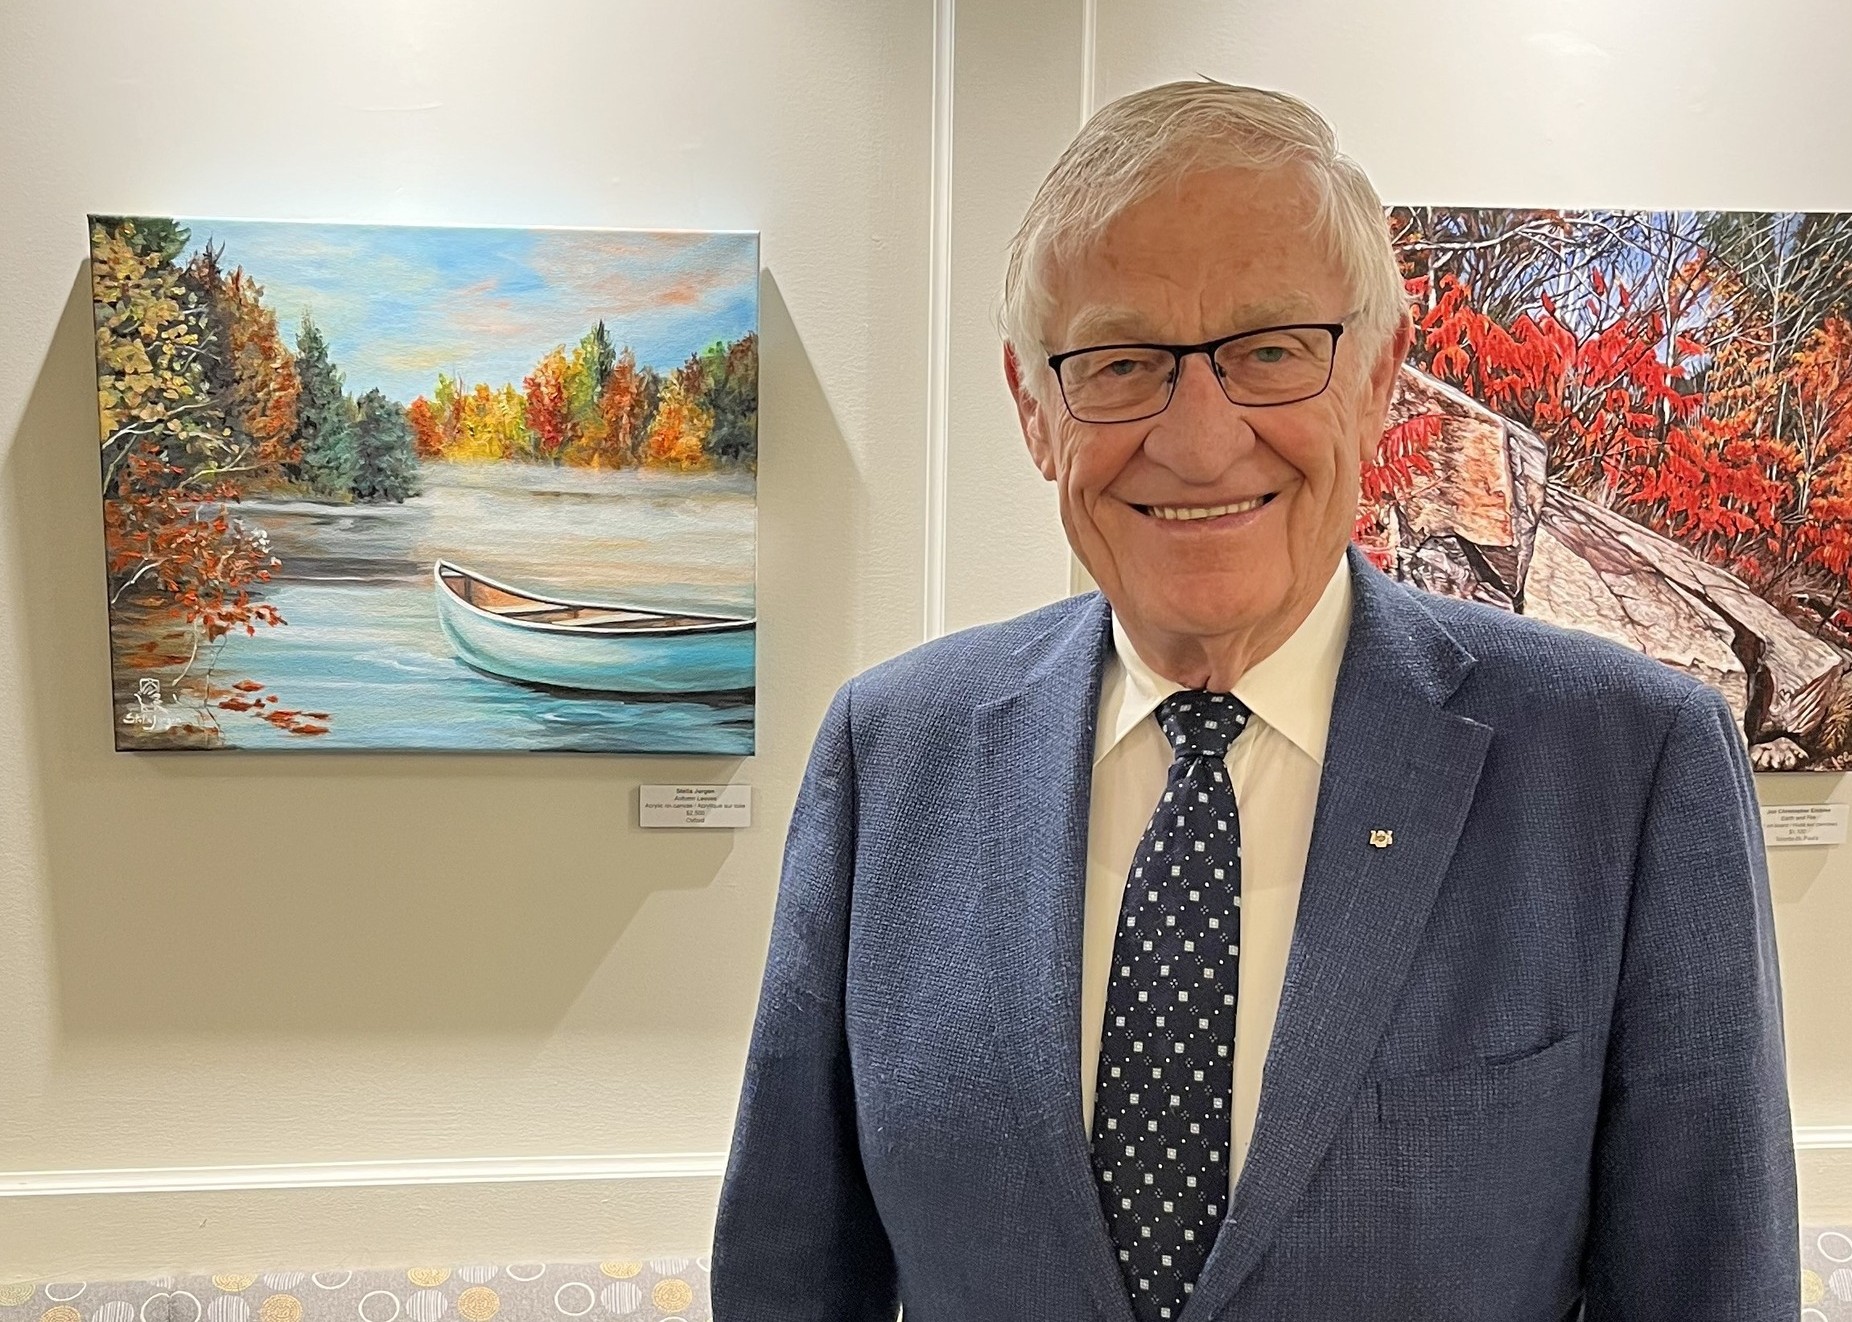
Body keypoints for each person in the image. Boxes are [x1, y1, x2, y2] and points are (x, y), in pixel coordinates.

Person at [711, 79, 1798, 1321]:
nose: (1199, 437)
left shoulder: (1625, 764)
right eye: (1120, 364)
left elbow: (1714, 1288)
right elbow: (787, 1278)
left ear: (1381, 375)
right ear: (1032, 406)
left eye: (1272, 349)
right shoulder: (891, 753)